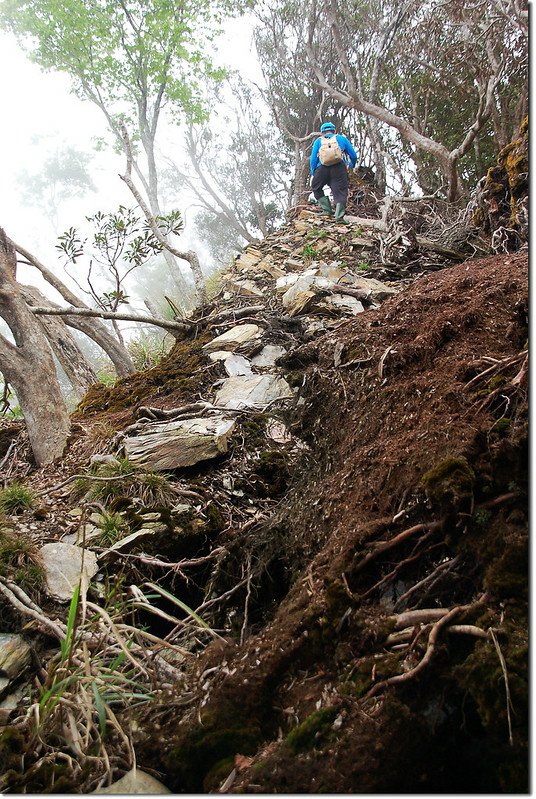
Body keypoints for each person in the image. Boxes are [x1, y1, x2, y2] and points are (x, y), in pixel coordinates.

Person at [310, 122, 357, 223]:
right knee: (340, 191)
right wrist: (351, 165)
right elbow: (353, 155)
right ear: (334, 130)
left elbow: (313, 159)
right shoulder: (341, 138)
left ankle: (327, 210)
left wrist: (314, 172)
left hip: (322, 168)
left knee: (316, 187)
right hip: (339, 168)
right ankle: (339, 217)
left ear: (322, 132)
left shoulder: (318, 141)